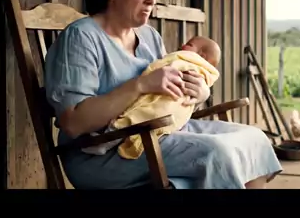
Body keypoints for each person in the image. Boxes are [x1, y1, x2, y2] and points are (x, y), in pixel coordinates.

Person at [44, 0, 282, 190]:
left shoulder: (150, 36)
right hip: (102, 153)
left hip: (158, 133)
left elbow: (163, 100)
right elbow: (73, 122)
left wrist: (198, 93)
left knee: (254, 140)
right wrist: (140, 85)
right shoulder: (81, 37)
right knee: (216, 154)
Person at [84, 35, 221, 159]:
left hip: (166, 110)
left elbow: (163, 66)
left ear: (201, 56)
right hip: (167, 122)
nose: (182, 45)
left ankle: (104, 142)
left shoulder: (157, 39)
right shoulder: (85, 35)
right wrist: (144, 82)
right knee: (215, 150)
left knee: (133, 118)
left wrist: (202, 95)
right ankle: (105, 142)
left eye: (189, 44)